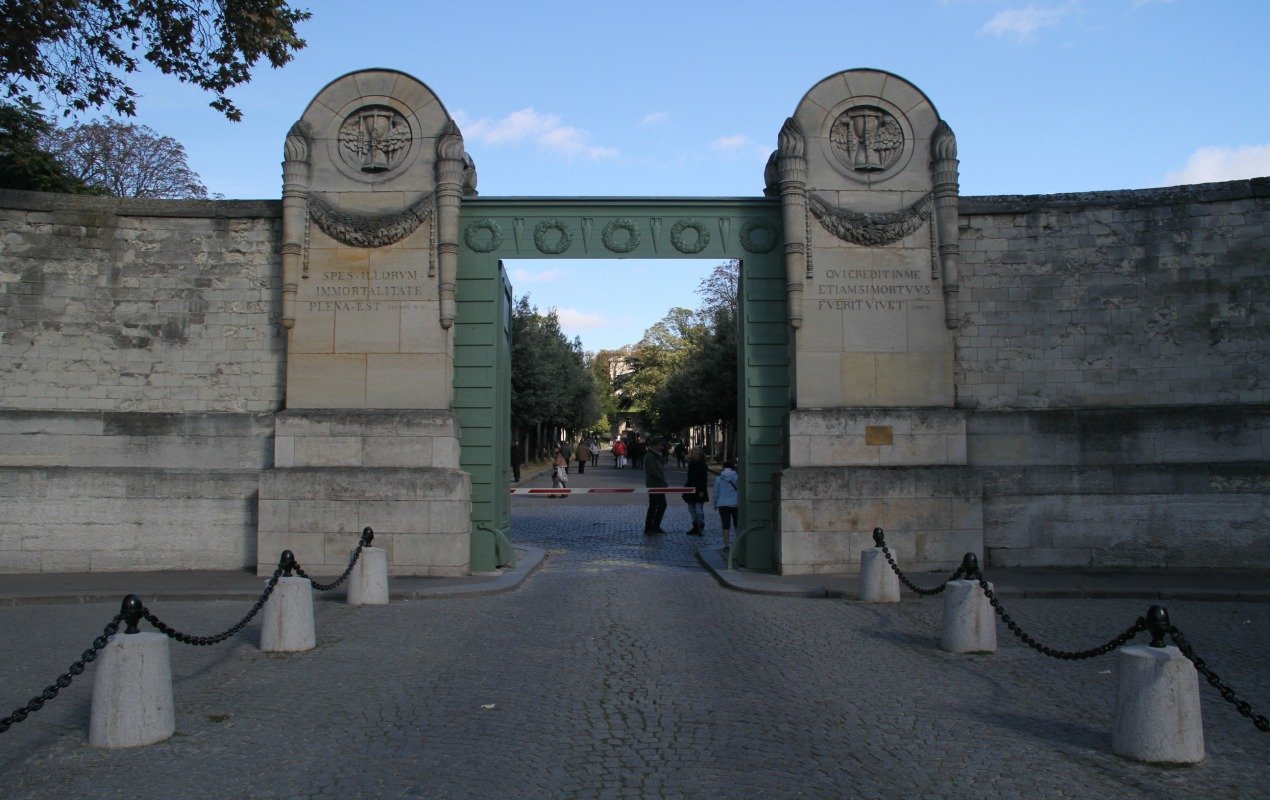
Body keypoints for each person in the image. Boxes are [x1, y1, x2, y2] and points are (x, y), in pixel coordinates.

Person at [643, 438, 668, 534]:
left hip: (659, 485)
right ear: (654, 445)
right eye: (659, 445)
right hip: (654, 485)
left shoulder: (656, 455)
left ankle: (656, 525)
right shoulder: (649, 456)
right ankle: (648, 527)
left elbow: (662, 466)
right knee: (654, 506)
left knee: (662, 505)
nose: (661, 447)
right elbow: (653, 471)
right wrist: (662, 480)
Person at [713, 460, 739, 554]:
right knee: (737, 524)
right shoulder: (737, 478)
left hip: (723, 504)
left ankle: (726, 545)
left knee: (725, 525)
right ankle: (739, 543)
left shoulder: (719, 479)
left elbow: (716, 493)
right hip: (735, 504)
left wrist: (715, 504)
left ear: (723, 467)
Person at [683, 447, 708, 536]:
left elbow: (704, 479)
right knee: (691, 509)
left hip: (699, 490)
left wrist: (702, 490)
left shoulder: (702, 464)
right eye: (691, 452)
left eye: (693, 452)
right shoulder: (691, 464)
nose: (691, 454)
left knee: (699, 510)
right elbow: (689, 478)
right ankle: (695, 526)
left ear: (698, 454)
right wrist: (686, 490)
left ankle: (701, 526)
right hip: (690, 489)